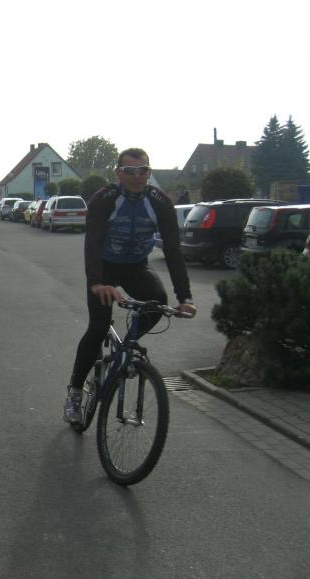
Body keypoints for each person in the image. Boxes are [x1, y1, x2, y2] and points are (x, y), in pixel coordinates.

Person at [63, 148, 196, 423]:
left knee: (157, 302)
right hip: (104, 267)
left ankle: (123, 349)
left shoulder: (160, 201)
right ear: (118, 173)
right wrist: (97, 283)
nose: (137, 176)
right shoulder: (104, 198)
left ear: (149, 172)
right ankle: (74, 393)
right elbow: (92, 243)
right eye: (130, 171)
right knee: (98, 327)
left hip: (136, 266)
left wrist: (184, 297)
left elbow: (173, 249)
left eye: (142, 170)